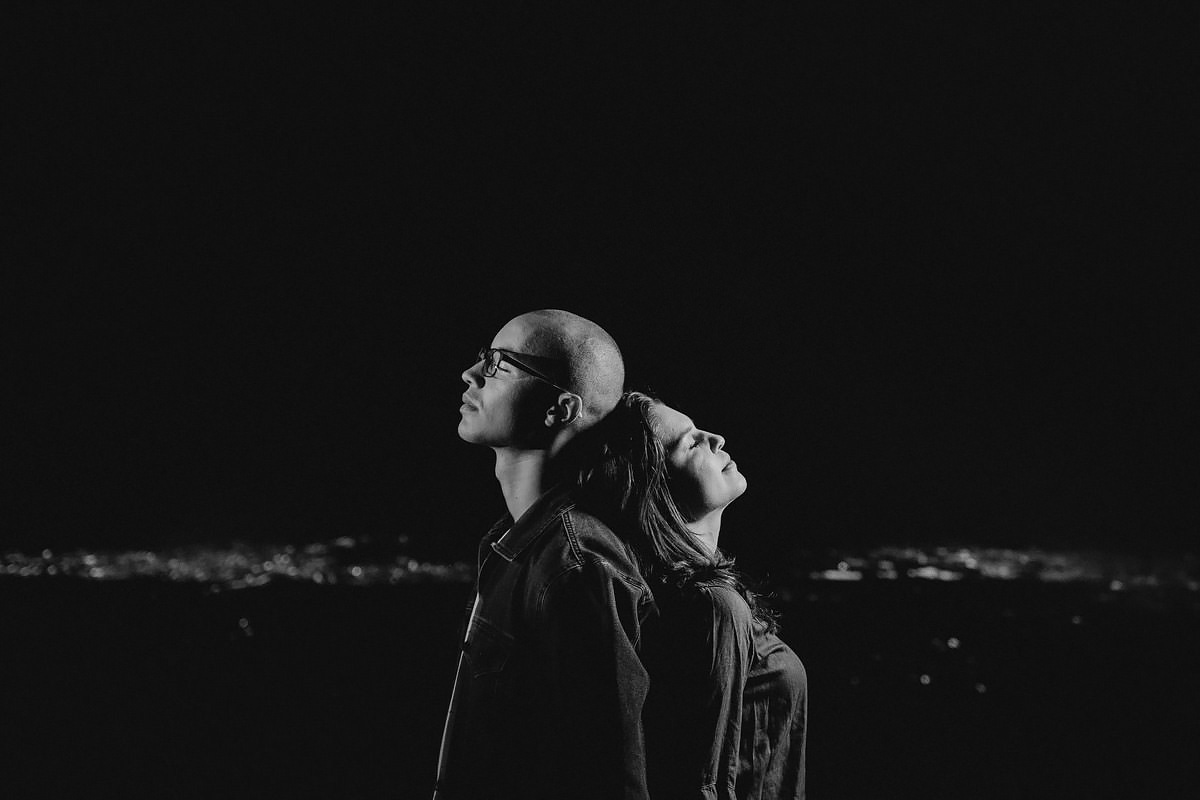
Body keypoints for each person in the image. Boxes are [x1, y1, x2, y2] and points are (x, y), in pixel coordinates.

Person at [434, 310, 656, 800]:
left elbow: (609, 772)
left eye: (499, 364)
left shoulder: (578, 567)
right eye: (481, 359)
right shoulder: (514, 544)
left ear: (561, 409)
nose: (471, 375)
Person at [581, 391, 808, 800]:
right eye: (690, 443)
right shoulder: (710, 608)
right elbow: (700, 783)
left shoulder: (704, 591)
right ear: (656, 488)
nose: (716, 438)